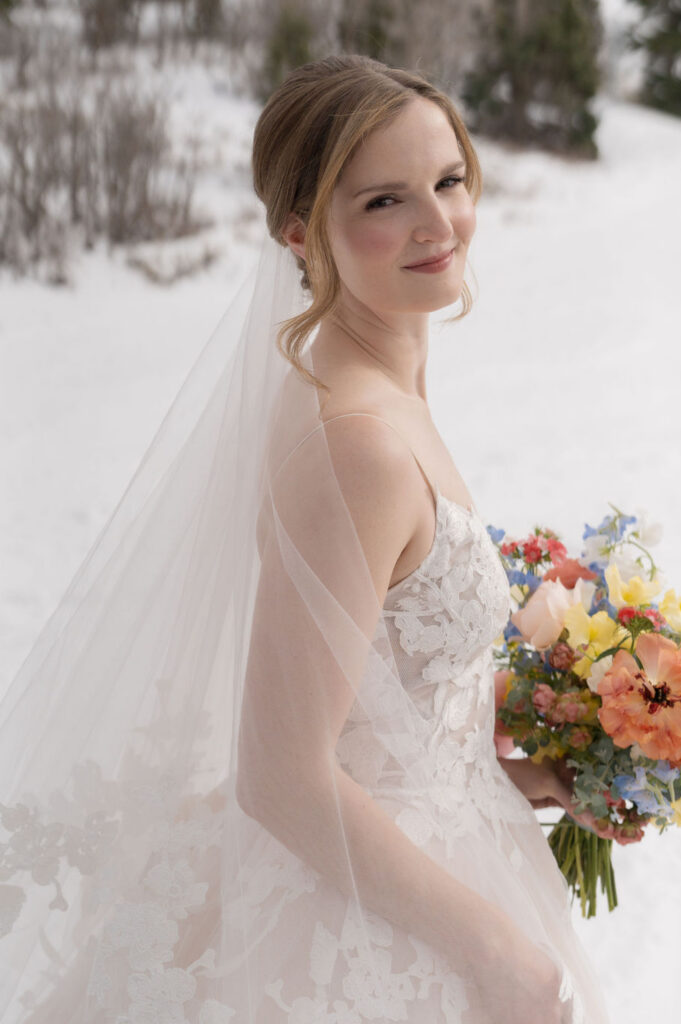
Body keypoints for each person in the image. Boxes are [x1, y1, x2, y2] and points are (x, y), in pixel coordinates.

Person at [0, 55, 610, 1023]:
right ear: (300, 230)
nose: (436, 224)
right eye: (383, 200)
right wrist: (498, 953)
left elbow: (369, 677)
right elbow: (280, 775)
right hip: (355, 930)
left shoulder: (376, 373)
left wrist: (509, 768)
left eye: (448, 181)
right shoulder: (358, 439)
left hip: (408, 848)